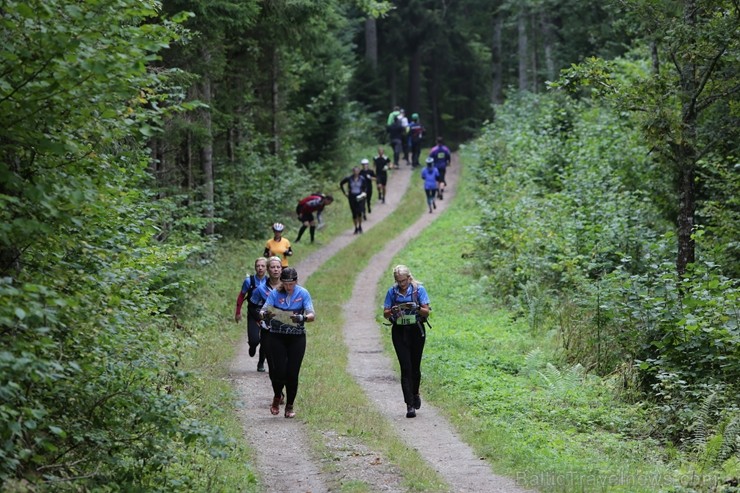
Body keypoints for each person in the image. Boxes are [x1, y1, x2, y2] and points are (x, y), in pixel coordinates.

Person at [259, 267, 315, 418]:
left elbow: (311, 314)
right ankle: (277, 396)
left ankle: (289, 406)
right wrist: (266, 315)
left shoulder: (303, 293)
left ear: (296, 282)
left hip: (296, 337)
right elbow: (263, 311)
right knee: (278, 371)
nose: (288, 287)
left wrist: (303, 318)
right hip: (277, 336)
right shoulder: (275, 293)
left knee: (292, 373)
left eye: (291, 284)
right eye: (286, 284)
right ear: (282, 282)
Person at [383, 265, 431, 418]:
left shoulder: (419, 290)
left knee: (415, 367)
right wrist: (393, 311)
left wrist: (416, 308)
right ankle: (409, 405)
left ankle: (415, 392)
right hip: (399, 332)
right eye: (399, 281)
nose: (401, 284)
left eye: (403, 281)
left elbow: (427, 311)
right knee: (405, 367)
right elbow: (385, 313)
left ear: (409, 278)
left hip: (416, 330)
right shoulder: (392, 292)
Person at [235, 257, 269, 369]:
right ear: (255, 267)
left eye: (262, 266)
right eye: (258, 266)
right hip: (253, 313)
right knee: (254, 340)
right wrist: (238, 312)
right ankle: (252, 346)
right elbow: (241, 296)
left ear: (266, 268)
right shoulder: (249, 281)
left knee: (265, 340)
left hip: (266, 313)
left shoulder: (269, 281)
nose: (260, 268)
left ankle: (261, 363)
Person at [339, 166, 368, 234]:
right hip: (352, 196)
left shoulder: (362, 179)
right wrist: (345, 192)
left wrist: (364, 192)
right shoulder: (349, 178)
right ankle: (356, 227)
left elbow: (365, 187)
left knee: (359, 212)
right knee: (354, 213)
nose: (356, 172)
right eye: (355, 171)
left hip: (359, 196)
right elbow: (341, 183)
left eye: (357, 171)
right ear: (353, 171)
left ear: (359, 171)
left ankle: (360, 226)